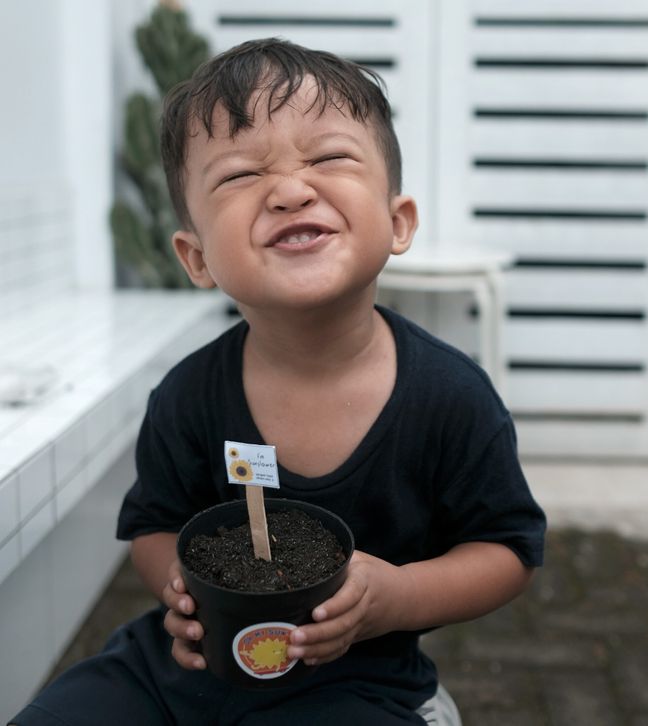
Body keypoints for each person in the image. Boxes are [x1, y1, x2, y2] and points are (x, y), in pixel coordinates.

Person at [10, 38, 545, 725]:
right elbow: (154, 525)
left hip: (357, 683)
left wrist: (398, 596)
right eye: (240, 175)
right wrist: (180, 587)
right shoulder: (188, 395)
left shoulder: (451, 397)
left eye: (329, 158)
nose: (292, 191)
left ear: (398, 222)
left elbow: (507, 551)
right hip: (180, 674)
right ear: (197, 258)